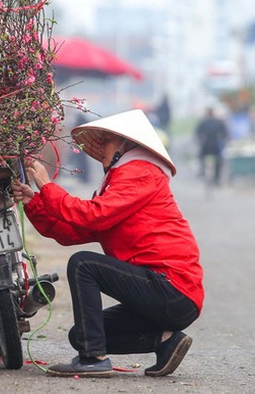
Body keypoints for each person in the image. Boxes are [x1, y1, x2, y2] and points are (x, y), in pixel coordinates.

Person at [12, 109, 204, 378]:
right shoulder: (119, 181)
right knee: (83, 335)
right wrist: (34, 203)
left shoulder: (141, 172)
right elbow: (71, 233)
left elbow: (91, 214)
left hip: (172, 288)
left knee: (83, 265)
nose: (101, 147)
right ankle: (165, 341)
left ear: (126, 145)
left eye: (107, 141)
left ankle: (94, 359)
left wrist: (47, 185)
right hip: (161, 294)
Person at [195, 106, 229, 185]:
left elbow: (197, 132)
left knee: (201, 157)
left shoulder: (204, 122)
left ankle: (202, 171)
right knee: (219, 161)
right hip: (215, 145)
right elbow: (224, 132)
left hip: (205, 145)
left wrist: (199, 140)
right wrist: (223, 139)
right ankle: (217, 178)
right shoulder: (218, 122)